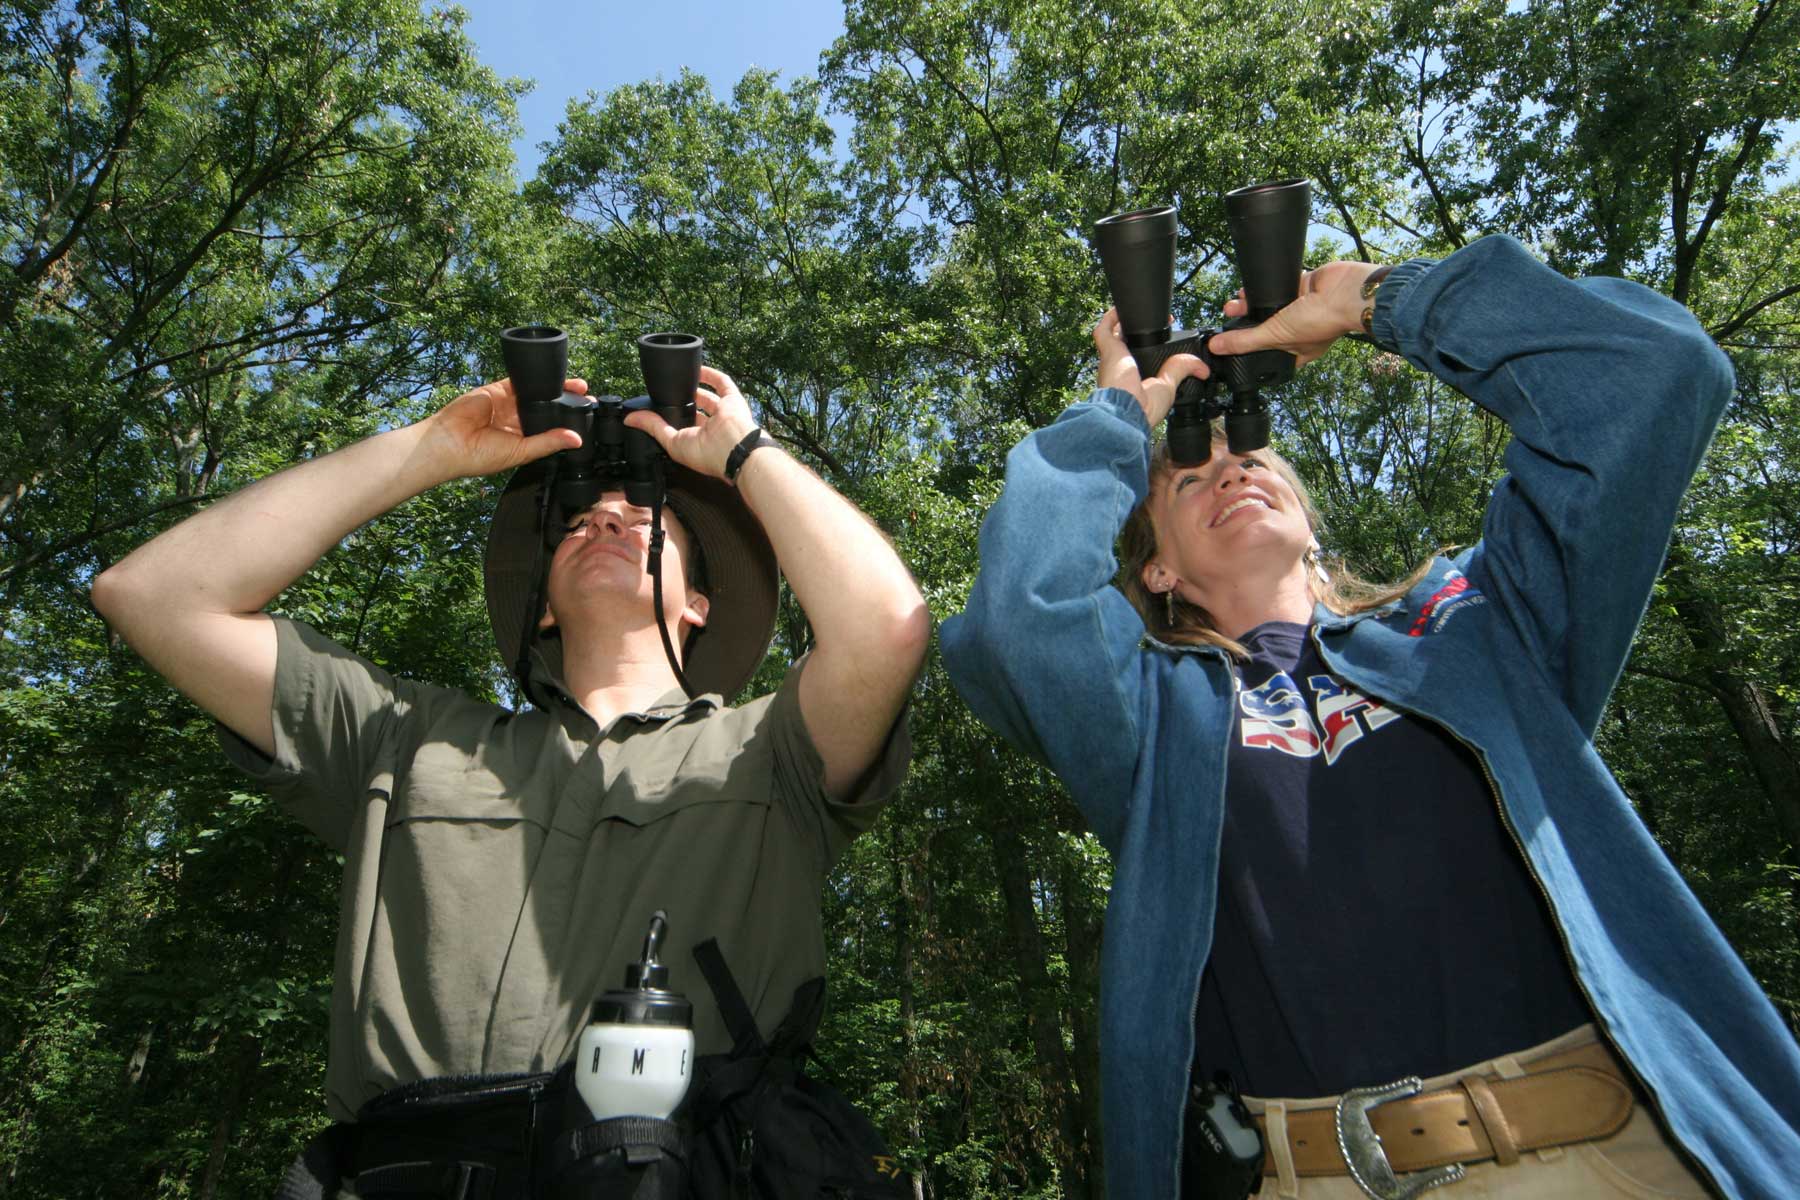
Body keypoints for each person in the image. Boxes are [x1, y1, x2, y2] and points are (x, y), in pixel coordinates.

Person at [940, 233, 1800, 1199]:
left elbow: (1658, 374)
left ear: (1309, 522)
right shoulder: (1151, 717)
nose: (1228, 467)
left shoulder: (1475, 626)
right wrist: (1117, 412)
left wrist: (1374, 304)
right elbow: (1020, 618)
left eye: (1250, 451)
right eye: (1186, 475)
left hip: (1611, 1154)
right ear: (1158, 571)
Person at [91, 359, 929, 1188]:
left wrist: (744, 453)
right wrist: (429, 451)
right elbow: (154, 595)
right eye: (579, 519)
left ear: (698, 603)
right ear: (549, 605)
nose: (607, 518)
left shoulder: (769, 753)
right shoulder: (407, 739)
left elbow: (887, 627)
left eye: (646, 514)